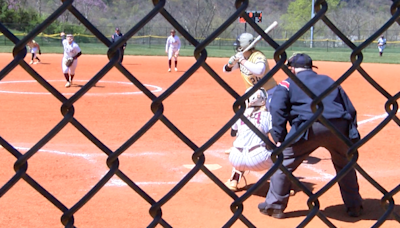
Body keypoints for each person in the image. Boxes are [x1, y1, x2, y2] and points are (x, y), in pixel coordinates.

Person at [258, 53, 363, 219]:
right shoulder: (329, 80)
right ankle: (354, 206)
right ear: (311, 68)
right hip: (338, 126)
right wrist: (352, 133)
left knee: (283, 164)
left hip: (307, 127)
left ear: (291, 68)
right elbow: (348, 107)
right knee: (345, 164)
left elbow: (277, 110)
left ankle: (274, 206)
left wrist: (280, 138)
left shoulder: (287, 83)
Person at [222, 32, 278, 155]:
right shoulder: (242, 56)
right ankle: (238, 145)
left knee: (270, 119)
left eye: (238, 44)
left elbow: (260, 71)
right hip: (252, 94)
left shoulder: (258, 56)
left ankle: (278, 146)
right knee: (244, 117)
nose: (236, 47)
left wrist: (242, 61)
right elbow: (225, 71)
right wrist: (230, 64)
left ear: (244, 45)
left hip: (269, 93)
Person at [225, 87, 274, 191]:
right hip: (258, 159)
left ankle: (233, 180)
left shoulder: (240, 114)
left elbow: (233, 133)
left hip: (235, 158)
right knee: (280, 155)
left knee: (240, 147)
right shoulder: (267, 115)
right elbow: (276, 136)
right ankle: (281, 186)